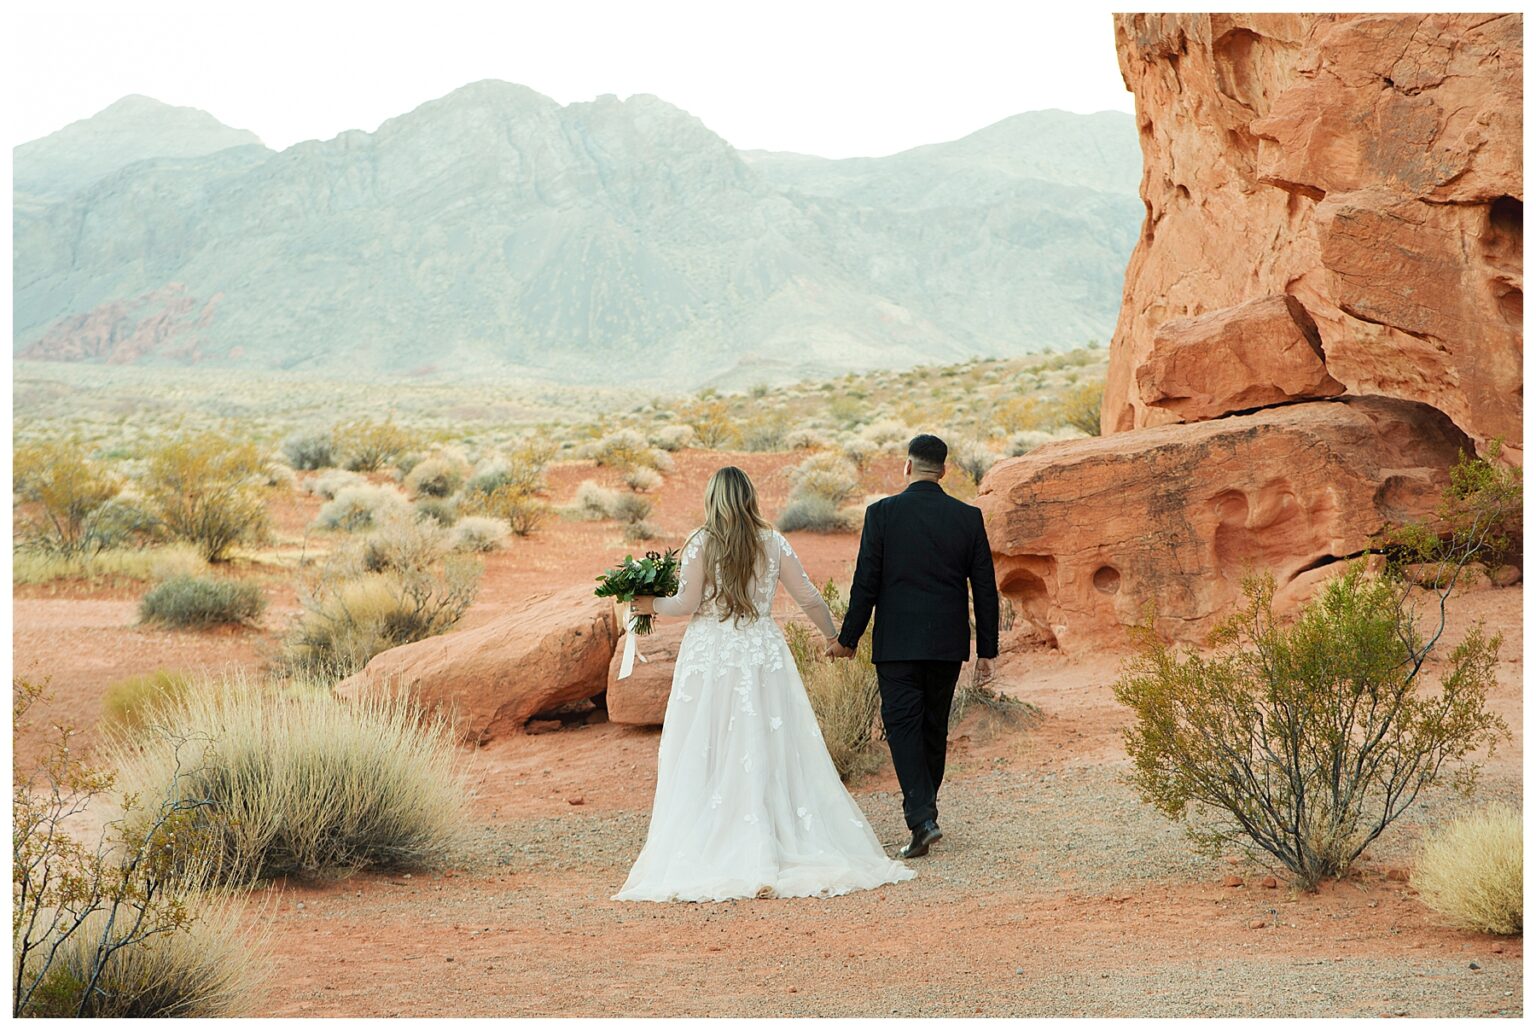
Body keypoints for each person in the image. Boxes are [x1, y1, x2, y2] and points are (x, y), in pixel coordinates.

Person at [613, 466, 915, 902]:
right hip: (761, 651)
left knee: (709, 742)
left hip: (712, 655)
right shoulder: (772, 541)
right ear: (750, 497)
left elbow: (686, 603)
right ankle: (772, 832)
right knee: (770, 740)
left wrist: (646, 603)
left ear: (713, 498)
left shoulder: (701, 542)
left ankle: (718, 833)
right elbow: (807, 594)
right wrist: (834, 637)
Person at [826, 433, 999, 859]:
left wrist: (848, 640)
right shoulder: (967, 517)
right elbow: (985, 589)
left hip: (897, 645)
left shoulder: (881, 514)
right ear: (943, 470)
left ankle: (922, 818)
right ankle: (925, 815)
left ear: (908, 467)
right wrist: (987, 651)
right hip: (946, 644)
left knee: (903, 728)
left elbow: (865, 583)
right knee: (933, 729)